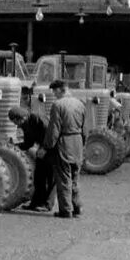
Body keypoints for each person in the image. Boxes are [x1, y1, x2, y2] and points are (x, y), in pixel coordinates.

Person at [44, 79, 86, 218]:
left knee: (63, 179)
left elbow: (54, 129)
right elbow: (85, 128)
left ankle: (66, 210)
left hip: (65, 143)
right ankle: (78, 207)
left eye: (54, 91)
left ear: (59, 90)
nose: (54, 95)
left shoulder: (58, 105)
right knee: (75, 178)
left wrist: (47, 146)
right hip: (78, 143)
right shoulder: (80, 103)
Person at [8, 105, 54, 211]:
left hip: (52, 148)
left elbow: (51, 134)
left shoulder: (38, 118)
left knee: (51, 177)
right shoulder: (25, 124)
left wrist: (44, 148)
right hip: (42, 151)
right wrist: (15, 147)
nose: (16, 125)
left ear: (21, 118)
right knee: (39, 177)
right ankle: (35, 203)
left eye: (15, 122)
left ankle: (47, 204)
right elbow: (29, 143)